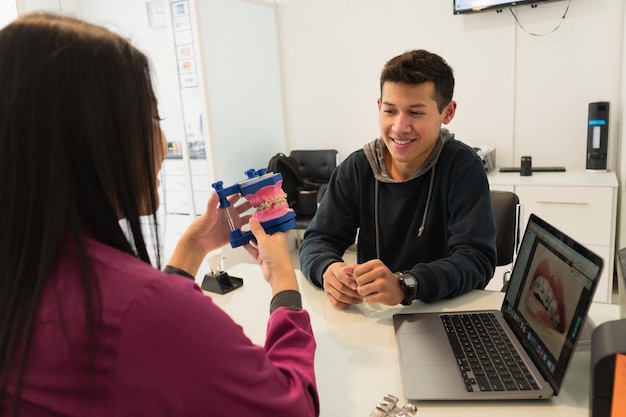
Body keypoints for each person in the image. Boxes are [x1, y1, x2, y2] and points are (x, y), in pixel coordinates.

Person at [0, 13, 318, 417]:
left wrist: (193, 246)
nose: (165, 144)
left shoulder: (26, 277)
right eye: (153, 119)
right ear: (92, 139)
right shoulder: (142, 311)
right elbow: (293, 407)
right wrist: (285, 284)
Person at [299, 49, 496, 309]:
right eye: (390, 111)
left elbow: (476, 259)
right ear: (379, 106)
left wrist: (407, 284)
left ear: (447, 112)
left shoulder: (462, 166)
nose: (400, 127)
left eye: (416, 113)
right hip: (375, 316)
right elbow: (317, 240)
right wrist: (328, 269)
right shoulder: (358, 167)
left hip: (441, 312)